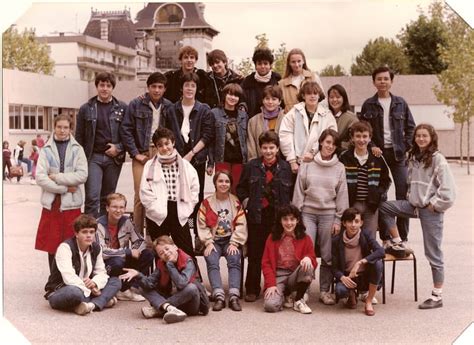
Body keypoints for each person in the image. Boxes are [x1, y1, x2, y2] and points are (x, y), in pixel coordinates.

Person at [379, 124, 456, 310]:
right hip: (413, 206)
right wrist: (410, 199)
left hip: (430, 210)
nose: (421, 139)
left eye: (424, 136)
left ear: (431, 138)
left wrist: (434, 205)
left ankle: (437, 296)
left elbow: (449, 191)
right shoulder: (413, 157)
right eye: (418, 136)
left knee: (433, 252)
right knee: (385, 207)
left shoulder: (438, 159)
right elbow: (410, 181)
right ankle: (398, 242)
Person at [359, 66, 416, 246]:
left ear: (391, 81)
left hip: (398, 154)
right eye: (379, 79)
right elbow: (364, 130)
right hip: (378, 154)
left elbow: (411, 128)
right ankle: (385, 236)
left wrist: (406, 146)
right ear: (374, 81)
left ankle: (402, 237)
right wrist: (373, 146)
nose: (382, 82)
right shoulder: (368, 104)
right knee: (381, 193)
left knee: (403, 194)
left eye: (386, 79)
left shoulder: (401, 103)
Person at [292, 129, 349, 306]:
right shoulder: (307, 164)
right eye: (327, 142)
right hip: (308, 213)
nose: (330, 146)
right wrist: (297, 216)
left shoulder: (339, 168)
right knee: (306, 253)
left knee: (327, 254)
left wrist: (339, 219)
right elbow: (299, 190)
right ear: (321, 143)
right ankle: (304, 291)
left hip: (328, 214)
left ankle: (324, 290)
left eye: (333, 143)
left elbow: (342, 195)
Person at [236, 131, 293, 302]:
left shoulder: (285, 168)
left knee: (278, 254)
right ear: (260, 148)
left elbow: (290, 191)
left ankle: (275, 286)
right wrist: (248, 202)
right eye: (265, 148)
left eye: (272, 148)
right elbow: (240, 189)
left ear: (277, 149)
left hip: (277, 217)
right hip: (257, 217)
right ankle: (252, 288)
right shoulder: (251, 166)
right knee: (255, 253)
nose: (268, 151)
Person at [165, 72, 214, 245]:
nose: (189, 89)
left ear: (196, 89)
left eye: (193, 86)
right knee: (176, 195)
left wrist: (191, 154)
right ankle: (179, 233)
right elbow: (167, 133)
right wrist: (177, 156)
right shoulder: (171, 109)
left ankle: (198, 235)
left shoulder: (204, 109)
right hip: (174, 158)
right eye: (187, 85)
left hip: (197, 158)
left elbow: (207, 135)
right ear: (181, 87)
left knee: (196, 196)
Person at [120, 72, 172, 234]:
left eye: (160, 87)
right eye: (153, 87)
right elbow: (125, 130)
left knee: (158, 194)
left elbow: (173, 131)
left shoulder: (169, 106)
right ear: (148, 87)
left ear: (164, 89)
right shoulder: (136, 104)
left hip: (161, 153)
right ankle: (137, 234)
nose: (156, 90)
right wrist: (136, 154)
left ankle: (154, 234)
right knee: (140, 195)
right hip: (141, 152)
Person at [35, 114, 88, 272]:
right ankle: (53, 280)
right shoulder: (46, 149)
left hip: (72, 204)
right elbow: (40, 177)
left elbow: (82, 175)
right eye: (59, 127)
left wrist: (57, 177)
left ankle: (69, 279)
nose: (62, 130)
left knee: (71, 243)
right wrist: (64, 188)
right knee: (52, 245)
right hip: (53, 203)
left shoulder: (78, 149)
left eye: (66, 127)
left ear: (70, 129)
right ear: (54, 127)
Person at [119, 235, 209, 324]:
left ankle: (158, 310)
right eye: (161, 253)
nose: (165, 253)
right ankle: (170, 308)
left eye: (167, 248)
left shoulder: (188, 261)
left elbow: (181, 284)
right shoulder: (161, 263)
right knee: (143, 286)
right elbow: (149, 283)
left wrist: (170, 265)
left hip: (190, 304)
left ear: (175, 247)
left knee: (191, 288)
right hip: (170, 297)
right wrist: (138, 274)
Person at [44, 214, 121, 315]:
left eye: (92, 232)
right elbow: (69, 277)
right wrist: (91, 289)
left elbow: (101, 272)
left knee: (116, 281)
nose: (89, 235)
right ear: (76, 233)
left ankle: (90, 305)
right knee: (75, 293)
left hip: (86, 288)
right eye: (84, 232)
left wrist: (95, 283)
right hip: (63, 289)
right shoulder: (65, 248)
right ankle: (102, 300)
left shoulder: (96, 248)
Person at [140, 127, 199, 258]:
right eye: (160, 145)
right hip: (158, 213)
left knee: (186, 251)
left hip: (179, 210)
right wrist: (155, 209)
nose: (164, 148)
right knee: (161, 253)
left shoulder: (185, 165)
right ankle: (163, 279)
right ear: (156, 147)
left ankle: (192, 278)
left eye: (167, 143)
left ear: (173, 142)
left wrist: (188, 208)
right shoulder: (149, 166)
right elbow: (144, 192)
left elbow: (195, 189)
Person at [75, 72, 128, 218]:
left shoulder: (122, 108)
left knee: (108, 198)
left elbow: (129, 133)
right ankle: (89, 232)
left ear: (112, 88)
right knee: (92, 196)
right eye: (101, 85)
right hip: (93, 157)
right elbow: (79, 136)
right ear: (97, 86)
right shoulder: (86, 108)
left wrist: (118, 148)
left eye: (108, 86)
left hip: (113, 159)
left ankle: (104, 234)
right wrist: (79, 159)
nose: (105, 88)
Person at [197, 170, 248, 311]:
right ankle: (218, 295)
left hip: (230, 240)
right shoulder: (207, 203)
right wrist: (208, 242)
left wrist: (235, 242)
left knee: (234, 258)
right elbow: (202, 225)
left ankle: (233, 295)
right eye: (220, 181)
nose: (223, 184)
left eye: (227, 181)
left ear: (231, 184)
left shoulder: (235, 202)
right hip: (214, 240)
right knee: (211, 258)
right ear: (215, 183)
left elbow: (241, 224)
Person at [96, 193, 154, 302]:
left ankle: (131, 287)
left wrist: (135, 250)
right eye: (114, 207)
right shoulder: (99, 225)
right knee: (117, 261)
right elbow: (102, 252)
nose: (118, 210)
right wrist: (127, 252)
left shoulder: (126, 221)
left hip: (121, 258)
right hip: (105, 263)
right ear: (107, 208)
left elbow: (140, 240)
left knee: (147, 254)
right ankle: (120, 290)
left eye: (121, 207)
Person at [339, 121, 391, 238]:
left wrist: (378, 194)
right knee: (351, 235)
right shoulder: (345, 157)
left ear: (369, 138)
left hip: (371, 205)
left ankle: (369, 256)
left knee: (369, 237)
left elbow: (386, 180)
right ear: (352, 138)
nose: (361, 140)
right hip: (352, 204)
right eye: (357, 136)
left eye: (364, 136)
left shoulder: (377, 157)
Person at [261, 204, 317, 314]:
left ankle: (298, 299)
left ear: (297, 220)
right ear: (280, 221)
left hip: (296, 275)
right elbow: (266, 263)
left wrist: (308, 258)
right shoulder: (272, 238)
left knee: (308, 265)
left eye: (292, 219)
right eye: (285, 219)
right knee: (270, 306)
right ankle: (286, 294)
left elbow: (313, 259)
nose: (289, 223)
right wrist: (271, 284)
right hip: (278, 275)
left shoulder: (305, 238)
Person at [332, 208, 384, 316]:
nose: (353, 225)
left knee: (378, 264)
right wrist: (342, 277)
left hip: (364, 276)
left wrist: (360, 262)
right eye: (350, 221)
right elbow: (334, 267)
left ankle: (368, 301)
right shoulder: (337, 240)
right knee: (340, 291)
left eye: (356, 221)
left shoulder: (365, 235)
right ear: (344, 223)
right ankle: (351, 295)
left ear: (361, 223)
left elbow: (380, 251)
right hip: (348, 276)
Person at [279, 81, 337, 174]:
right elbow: (285, 135)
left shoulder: (327, 115)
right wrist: (292, 160)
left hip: (320, 163)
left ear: (319, 96)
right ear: (303, 96)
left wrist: (313, 152)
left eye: (315, 93)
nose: (312, 96)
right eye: (309, 93)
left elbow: (332, 138)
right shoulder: (293, 113)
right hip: (296, 165)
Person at [207, 83, 248, 193]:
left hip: (240, 160)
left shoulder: (243, 115)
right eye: (229, 94)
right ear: (224, 95)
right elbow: (211, 141)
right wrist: (210, 163)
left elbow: (246, 139)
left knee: (236, 191)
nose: (232, 98)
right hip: (222, 159)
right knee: (222, 190)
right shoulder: (214, 113)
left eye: (236, 95)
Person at [278, 48, 325, 113]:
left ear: (303, 61)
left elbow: (322, 100)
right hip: (291, 121)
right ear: (289, 63)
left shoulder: (313, 78)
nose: (296, 65)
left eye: (299, 61)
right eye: (293, 62)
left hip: (312, 119)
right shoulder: (282, 84)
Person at [246, 85, 285, 161]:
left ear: (279, 101)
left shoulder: (286, 119)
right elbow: (251, 145)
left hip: (282, 165)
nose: (270, 102)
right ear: (263, 100)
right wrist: (254, 164)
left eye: (274, 99)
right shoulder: (253, 121)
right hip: (259, 165)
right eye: (267, 99)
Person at [241, 47, 282, 118]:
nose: (263, 66)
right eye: (259, 64)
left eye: (265, 63)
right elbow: (242, 100)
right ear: (255, 66)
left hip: (274, 121)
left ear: (270, 65)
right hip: (252, 121)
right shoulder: (247, 82)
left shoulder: (278, 81)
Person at [327, 84, 358, 150]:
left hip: (343, 154)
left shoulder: (351, 118)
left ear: (344, 98)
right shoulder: (325, 115)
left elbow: (355, 139)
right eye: (331, 97)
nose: (334, 100)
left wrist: (337, 145)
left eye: (338, 97)